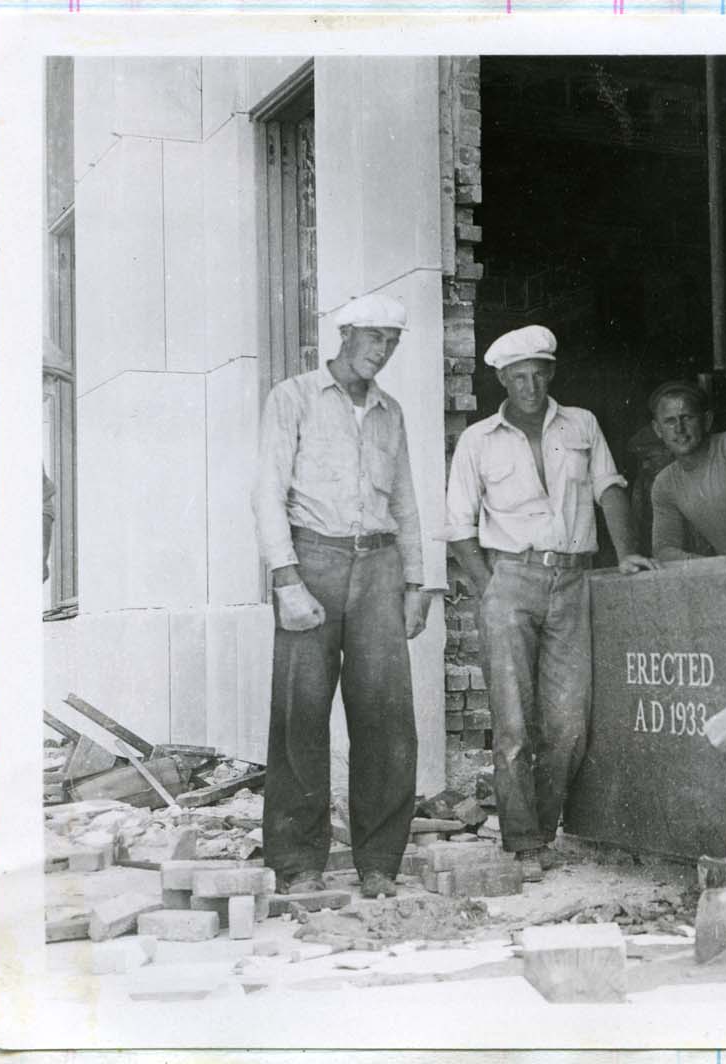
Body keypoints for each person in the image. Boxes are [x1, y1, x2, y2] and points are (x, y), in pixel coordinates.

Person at [442, 325, 655, 879]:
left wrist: (627, 551)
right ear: (502, 381)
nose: (530, 386)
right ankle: (523, 841)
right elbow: (458, 525)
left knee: (567, 721)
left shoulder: (580, 424)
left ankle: (547, 826)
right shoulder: (478, 441)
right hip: (509, 579)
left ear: (551, 374)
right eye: (519, 378)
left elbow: (610, 487)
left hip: (572, 580)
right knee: (513, 721)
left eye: (539, 374)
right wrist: (489, 583)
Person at [252, 292, 430, 900]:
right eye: (374, 337)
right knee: (301, 715)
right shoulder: (293, 398)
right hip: (314, 559)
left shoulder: (391, 412)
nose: (382, 350)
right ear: (346, 334)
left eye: (392, 341)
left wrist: (415, 582)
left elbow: (404, 500)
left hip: (379, 566)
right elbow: (267, 492)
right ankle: (298, 861)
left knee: (386, 718)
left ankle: (379, 861)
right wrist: (285, 577)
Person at [647, 381, 726, 561]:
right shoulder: (665, 483)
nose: (679, 429)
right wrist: (709, 564)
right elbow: (665, 549)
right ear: (658, 429)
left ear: (707, 420)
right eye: (670, 421)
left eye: (687, 417)